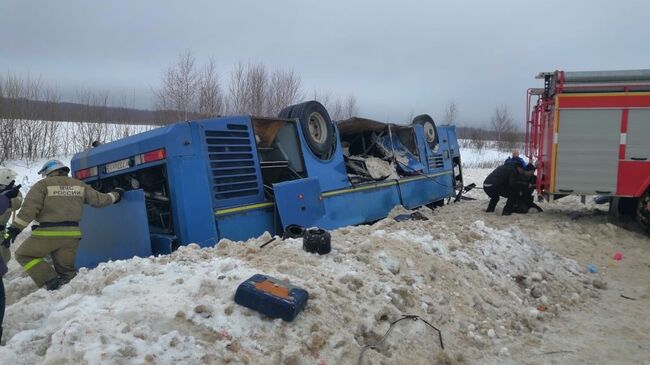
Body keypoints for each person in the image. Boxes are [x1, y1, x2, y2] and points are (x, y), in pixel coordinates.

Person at [5, 159, 124, 291]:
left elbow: (29, 210)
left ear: (49, 172)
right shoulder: (79, 185)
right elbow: (100, 200)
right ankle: (71, 296)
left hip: (47, 234)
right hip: (72, 235)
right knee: (67, 273)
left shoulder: (42, 185)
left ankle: (51, 281)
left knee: (23, 255)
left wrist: (15, 229)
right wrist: (117, 194)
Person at [1, 169, 23, 265]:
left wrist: (7, 199)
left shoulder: (14, 192)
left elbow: (17, 204)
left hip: (1, 230)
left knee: (4, 255)